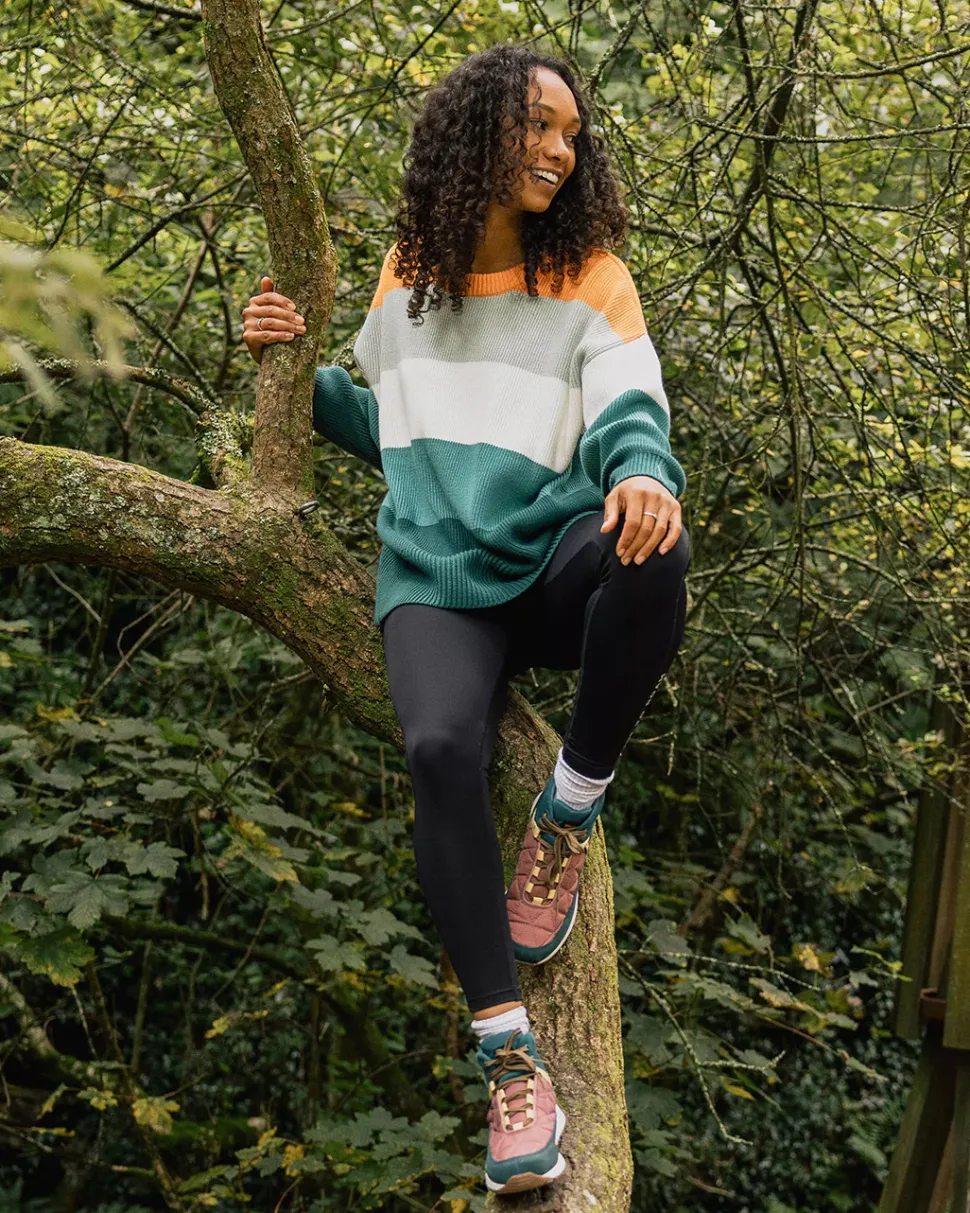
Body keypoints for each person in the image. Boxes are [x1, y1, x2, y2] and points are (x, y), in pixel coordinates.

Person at [241, 42, 690, 1197]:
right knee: (439, 747)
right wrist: (294, 363)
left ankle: (568, 808)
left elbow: (630, 411)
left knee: (657, 542)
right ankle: (508, 1059)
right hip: (436, 579)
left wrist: (644, 474)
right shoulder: (408, 274)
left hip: (551, 564)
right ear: (474, 129)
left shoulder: (591, 276)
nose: (559, 150)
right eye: (537, 125)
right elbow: (390, 429)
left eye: (571, 135)